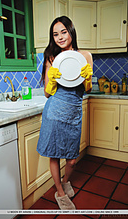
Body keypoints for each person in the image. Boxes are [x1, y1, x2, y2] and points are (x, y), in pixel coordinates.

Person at [37, 16, 93, 210]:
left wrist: (88, 79)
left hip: (73, 112)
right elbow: (46, 93)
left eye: (63, 32)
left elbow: (88, 90)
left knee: (71, 159)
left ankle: (65, 180)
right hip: (54, 111)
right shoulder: (51, 57)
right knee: (54, 155)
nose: (60, 37)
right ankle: (60, 192)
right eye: (55, 34)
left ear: (71, 31)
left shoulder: (84, 56)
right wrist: (50, 78)